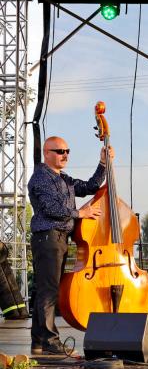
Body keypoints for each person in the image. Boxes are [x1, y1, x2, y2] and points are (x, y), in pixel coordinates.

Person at [27, 136, 110, 354]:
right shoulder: (41, 177)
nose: (65, 155)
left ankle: (38, 341)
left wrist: (103, 163)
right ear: (47, 153)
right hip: (48, 238)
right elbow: (50, 208)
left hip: (57, 239)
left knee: (45, 290)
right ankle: (50, 342)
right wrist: (80, 213)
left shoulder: (63, 178)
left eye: (67, 151)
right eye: (60, 151)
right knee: (49, 291)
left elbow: (90, 186)